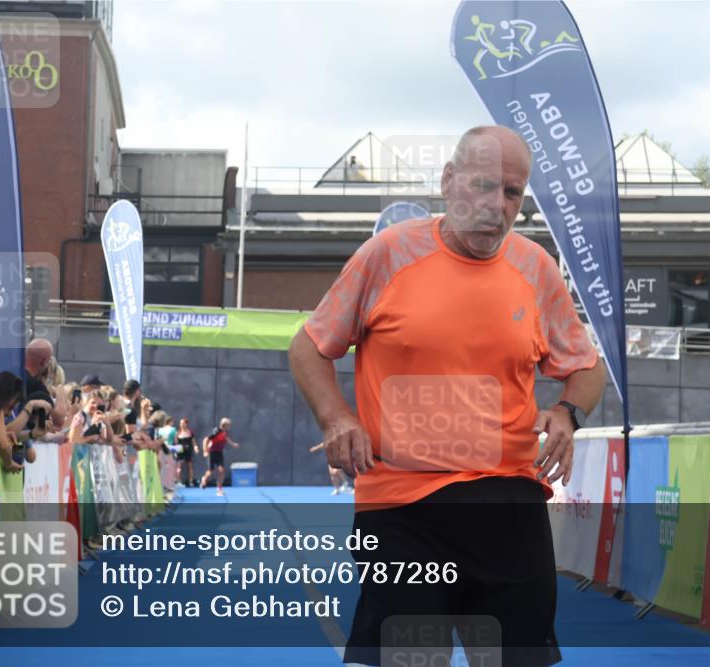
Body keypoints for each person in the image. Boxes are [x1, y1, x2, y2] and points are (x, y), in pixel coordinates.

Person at [289, 126, 605, 666]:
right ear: (448, 181)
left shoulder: (535, 268)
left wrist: (567, 413)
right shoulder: (388, 254)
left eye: (511, 193)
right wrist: (337, 419)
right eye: (483, 186)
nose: (496, 207)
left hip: (508, 502)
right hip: (403, 507)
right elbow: (309, 346)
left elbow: (587, 369)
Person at [199, 417, 240, 496]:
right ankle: (204, 479)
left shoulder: (224, 432)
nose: (230, 427)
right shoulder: (216, 431)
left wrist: (233, 444)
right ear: (224, 425)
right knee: (210, 472)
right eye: (229, 425)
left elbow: (226, 439)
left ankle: (219, 489)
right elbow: (206, 439)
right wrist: (205, 450)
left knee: (221, 471)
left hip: (219, 453)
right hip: (212, 452)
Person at [175, 417, 199, 487]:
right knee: (179, 466)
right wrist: (175, 451)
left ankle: (191, 481)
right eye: (180, 423)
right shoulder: (178, 433)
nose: (181, 425)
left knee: (190, 466)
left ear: (186, 424)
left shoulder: (190, 433)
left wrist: (196, 448)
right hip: (180, 452)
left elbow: (194, 443)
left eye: (183, 423)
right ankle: (178, 481)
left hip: (188, 451)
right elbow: (175, 443)